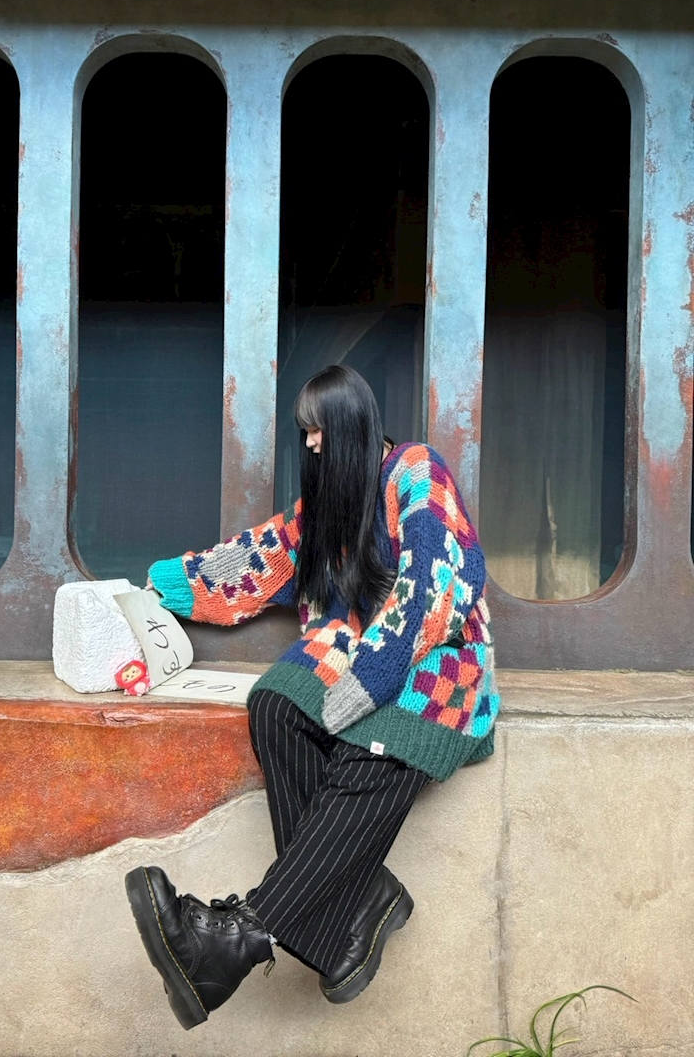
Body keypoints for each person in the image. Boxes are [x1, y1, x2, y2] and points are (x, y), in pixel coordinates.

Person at [125, 364, 498, 1030]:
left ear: (352, 426)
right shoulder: (327, 503)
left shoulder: (416, 470)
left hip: (440, 664)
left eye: (319, 430)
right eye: (305, 432)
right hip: (356, 651)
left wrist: (377, 674)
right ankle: (363, 898)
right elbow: (255, 559)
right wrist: (159, 587)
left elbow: (440, 578)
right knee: (276, 704)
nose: (311, 443)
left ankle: (231, 942)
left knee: (375, 740)